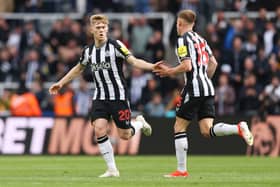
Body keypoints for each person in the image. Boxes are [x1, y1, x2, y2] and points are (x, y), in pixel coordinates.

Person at [49, 14, 159, 178]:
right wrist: (61, 82)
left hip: (118, 96)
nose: (101, 30)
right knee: (99, 129)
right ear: (91, 29)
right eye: (98, 27)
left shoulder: (116, 45)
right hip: (100, 97)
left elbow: (133, 61)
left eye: (103, 27)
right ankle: (112, 169)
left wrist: (152, 66)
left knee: (125, 135)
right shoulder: (88, 51)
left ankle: (139, 123)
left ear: (107, 29)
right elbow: (78, 69)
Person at [153, 9, 254, 177]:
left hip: (193, 88)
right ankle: (238, 128)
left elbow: (187, 66)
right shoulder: (201, 40)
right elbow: (213, 63)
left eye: (177, 24)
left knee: (179, 126)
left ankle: (181, 170)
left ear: (179, 24)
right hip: (207, 88)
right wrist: (204, 80)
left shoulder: (182, 40)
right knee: (207, 130)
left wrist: (170, 71)